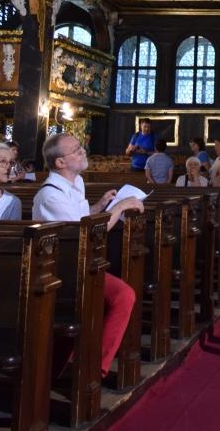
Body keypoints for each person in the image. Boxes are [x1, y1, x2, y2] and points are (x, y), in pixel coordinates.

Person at [32, 133, 144, 376]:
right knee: (123, 295)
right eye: (76, 150)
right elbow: (88, 233)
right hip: (60, 271)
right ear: (60, 162)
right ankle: (93, 369)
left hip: (79, 261)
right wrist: (120, 206)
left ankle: (74, 361)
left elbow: (80, 218)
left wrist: (100, 205)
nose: (83, 151)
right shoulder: (51, 195)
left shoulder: (77, 183)